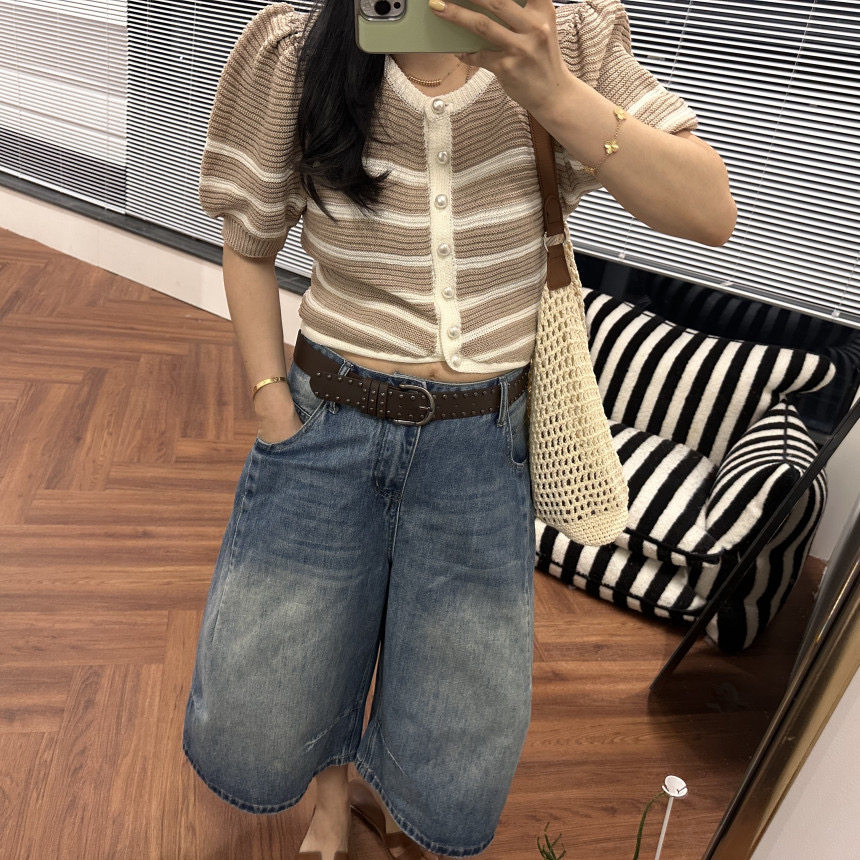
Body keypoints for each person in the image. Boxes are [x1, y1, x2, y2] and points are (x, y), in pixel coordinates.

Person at [181, 0, 735, 857]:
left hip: (481, 446)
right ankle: (331, 807)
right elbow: (248, 240)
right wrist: (270, 404)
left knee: (459, 711)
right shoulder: (297, 49)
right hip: (327, 425)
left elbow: (709, 211)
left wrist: (551, 89)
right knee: (284, 675)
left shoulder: (568, 39)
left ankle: (392, 814)